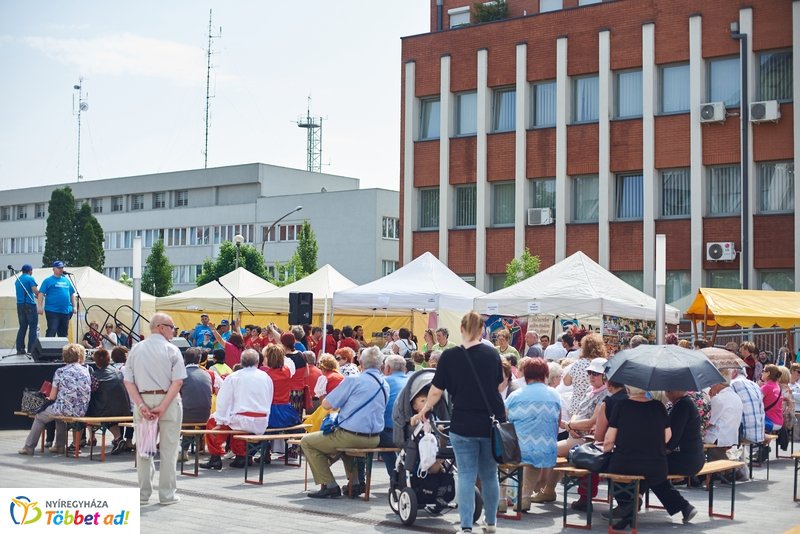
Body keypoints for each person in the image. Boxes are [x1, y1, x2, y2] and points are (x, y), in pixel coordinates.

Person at [411, 311, 504, 534]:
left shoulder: (450, 356)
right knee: (490, 475)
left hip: (463, 421)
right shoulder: (492, 354)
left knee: (465, 474)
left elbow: (435, 391)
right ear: (482, 330)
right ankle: (491, 523)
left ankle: (466, 527)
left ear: (461, 329)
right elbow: (500, 386)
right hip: (491, 423)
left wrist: (423, 410)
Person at [300, 346, 389, 499]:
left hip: (350, 435)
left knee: (306, 441)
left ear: (360, 362)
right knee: (344, 446)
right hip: (374, 438)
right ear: (381, 364)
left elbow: (327, 404)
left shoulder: (354, 380)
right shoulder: (384, 384)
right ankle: (354, 484)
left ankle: (329, 484)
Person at [603, 386, 697, 529]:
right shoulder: (658, 406)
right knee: (656, 478)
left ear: (628, 388)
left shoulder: (621, 405)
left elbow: (609, 440)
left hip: (625, 463)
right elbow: (667, 436)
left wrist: (606, 450)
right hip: (656, 464)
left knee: (609, 469)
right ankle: (683, 506)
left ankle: (627, 505)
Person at [123, 313, 187, 505]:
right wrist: (163, 406)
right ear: (160, 327)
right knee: (169, 450)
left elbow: (128, 381)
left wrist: (141, 404)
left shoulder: (136, 349)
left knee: (145, 450)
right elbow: (177, 382)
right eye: (171, 327)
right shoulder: (172, 350)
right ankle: (167, 495)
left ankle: (143, 495)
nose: (174, 330)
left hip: (143, 399)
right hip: (167, 401)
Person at [200, 349, 273, 470]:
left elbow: (223, 401)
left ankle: (215, 457)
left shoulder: (234, 377)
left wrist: (220, 421)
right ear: (257, 361)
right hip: (261, 421)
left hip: (242, 419)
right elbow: (269, 398)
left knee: (213, 423)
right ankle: (241, 457)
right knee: (235, 425)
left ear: (241, 362)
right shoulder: (266, 377)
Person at [505, 358, 561, 512]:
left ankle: (502, 499)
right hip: (546, 449)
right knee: (533, 459)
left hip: (517, 449)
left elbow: (504, 421)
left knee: (507, 455)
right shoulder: (555, 395)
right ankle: (525, 497)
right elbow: (558, 422)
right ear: (545, 374)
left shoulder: (516, 395)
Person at [19, 343, 91, 455]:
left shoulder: (60, 371)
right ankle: (59, 445)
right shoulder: (86, 370)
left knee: (40, 417)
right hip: (81, 410)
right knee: (59, 416)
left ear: (64, 357)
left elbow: (52, 396)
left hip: (64, 408)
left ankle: (29, 446)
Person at [86, 348, 131, 453]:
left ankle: (89, 438)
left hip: (105, 410)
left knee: (89, 407)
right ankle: (118, 438)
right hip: (123, 409)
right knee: (108, 411)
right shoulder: (118, 372)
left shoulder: (95, 375)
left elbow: (90, 391)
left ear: (96, 362)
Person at [179, 347, 212, 462]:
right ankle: (189, 448)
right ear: (199, 360)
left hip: (188, 415)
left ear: (184, 359)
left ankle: (178, 449)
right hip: (205, 415)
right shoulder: (206, 374)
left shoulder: (182, 374)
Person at [563, 333, 607, 420]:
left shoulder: (578, 364)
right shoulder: (604, 363)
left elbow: (566, 382)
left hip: (577, 408)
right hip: (596, 408)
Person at [378, 355, 409, 475]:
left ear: (388, 368)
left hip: (390, 434)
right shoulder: (411, 381)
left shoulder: (383, 381)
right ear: (404, 368)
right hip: (410, 433)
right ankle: (398, 475)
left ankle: (395, 476)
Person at [664, 390, 705, 478]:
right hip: (694, 458)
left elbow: (674, 435)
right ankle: (639, 491)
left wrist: (664, 450)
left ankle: (637, 491)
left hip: (686, 460)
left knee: (651, 466)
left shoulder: (682, 405)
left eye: (668, 391)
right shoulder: (687, 402)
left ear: (678, 391)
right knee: (652, 467)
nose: (666, 394)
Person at [261, 345, 301, 428]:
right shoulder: (287, 371)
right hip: (286, 409)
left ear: (269, 358)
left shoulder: (267, 375)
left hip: (272, 410)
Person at [37, 261, 76, 337]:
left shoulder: (66, 280)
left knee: (64, 333)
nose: (61, 269)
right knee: (52, 330)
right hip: (52, 310)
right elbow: (41, 294)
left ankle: (62, 349)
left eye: (62, 267)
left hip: (65, 311)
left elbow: (71, 294)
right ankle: (48, 348)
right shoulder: (48, 280)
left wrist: (74, 307)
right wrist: (39, 306)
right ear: (54, 269)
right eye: (59, 268)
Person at [729, 366, 765, 444]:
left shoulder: (732, 384)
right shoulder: (755, 385)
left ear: (734, 372)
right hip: (759, 432)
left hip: (743, 433)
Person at [281, 332, 308, 415]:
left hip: (288, 392)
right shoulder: (301, 354)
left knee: (288, 416)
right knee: (298, 415)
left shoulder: (285, 358)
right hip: (300, 391)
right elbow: (306, 373)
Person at [14, 263, 38, 355]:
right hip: (29, 305)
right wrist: (41, 295)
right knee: (33, 327)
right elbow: (35, 291)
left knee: (22, 327)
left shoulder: (18, 280)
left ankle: (20, 348)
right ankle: (31, 349)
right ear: (30, 271)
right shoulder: (30, 278)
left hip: (20, 305)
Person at [761, 364, 784, 433]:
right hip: (779, 422)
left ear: (768, 373)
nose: (762, 373)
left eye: (763, 371)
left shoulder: (766, 387)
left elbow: (756, 402)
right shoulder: (777, 387)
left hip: (769, 422)